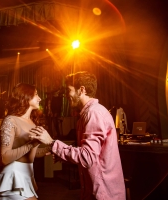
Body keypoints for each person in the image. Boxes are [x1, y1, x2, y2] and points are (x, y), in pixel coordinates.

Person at [30, 71, 126, 200]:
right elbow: (90, 154)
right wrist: (64, 156)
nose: (66, 95)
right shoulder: (87, 114)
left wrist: (52, 143)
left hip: (103, 193)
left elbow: (87, 158)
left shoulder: (93, 113)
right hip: (95, 190)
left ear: (81, 90)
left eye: (68, 90)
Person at [0, 83, 51, 200]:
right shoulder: (10, 120)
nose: (40, 98)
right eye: (36, 95)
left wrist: (50, 149)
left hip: (27, 173)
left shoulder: (32, 122)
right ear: (26, 97)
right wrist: (32, 144)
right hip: (14, 175)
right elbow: (4, 157)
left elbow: (32, 154)